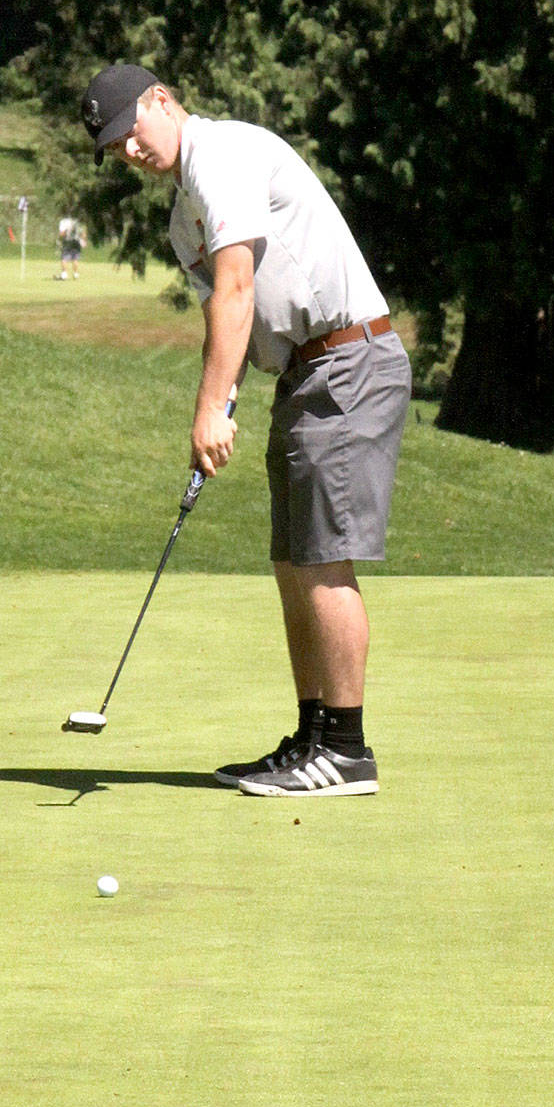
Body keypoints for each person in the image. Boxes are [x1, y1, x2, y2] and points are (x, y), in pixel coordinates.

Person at [80, 64, 411, 798]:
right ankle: (314, 738)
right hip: (304, 376)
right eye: (114, 147)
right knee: (294, 562)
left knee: (323, 559)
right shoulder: (181, 218)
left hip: (348, 358)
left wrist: (205, 410)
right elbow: (226, 321)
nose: (128, 150)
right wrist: (222, 399)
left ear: (160, 100)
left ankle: (348, 752)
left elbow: (236, 288)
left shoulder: (220, 154)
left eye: (129, 129)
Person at [57, 214, 86, 279]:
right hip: (77, 241)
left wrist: (60, 238)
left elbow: (62, 234)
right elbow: (83, 233)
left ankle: (64, 274)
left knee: (64, 258)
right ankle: (75, 274)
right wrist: (83, 241)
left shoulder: (63, 221)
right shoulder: (77, 221)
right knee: (75, 258)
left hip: (67, 241)